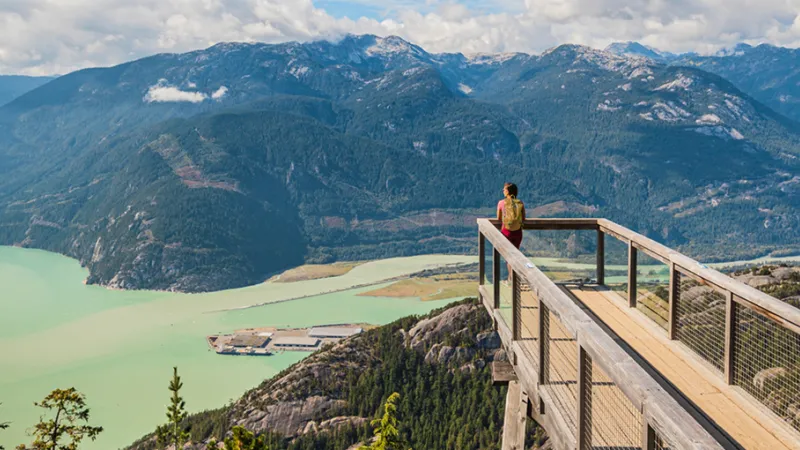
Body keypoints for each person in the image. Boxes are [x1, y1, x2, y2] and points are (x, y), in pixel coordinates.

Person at [497, 182, 525, 284]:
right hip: (518, 233)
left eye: (504, 189)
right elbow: (524, 218)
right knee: (515, 256)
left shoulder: (501, 203)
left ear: (508, 191)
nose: (503, 191)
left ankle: (511, 280)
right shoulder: (520, 203)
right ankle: (514, 279)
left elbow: (499, 218)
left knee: (509, 257)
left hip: (506, 232)